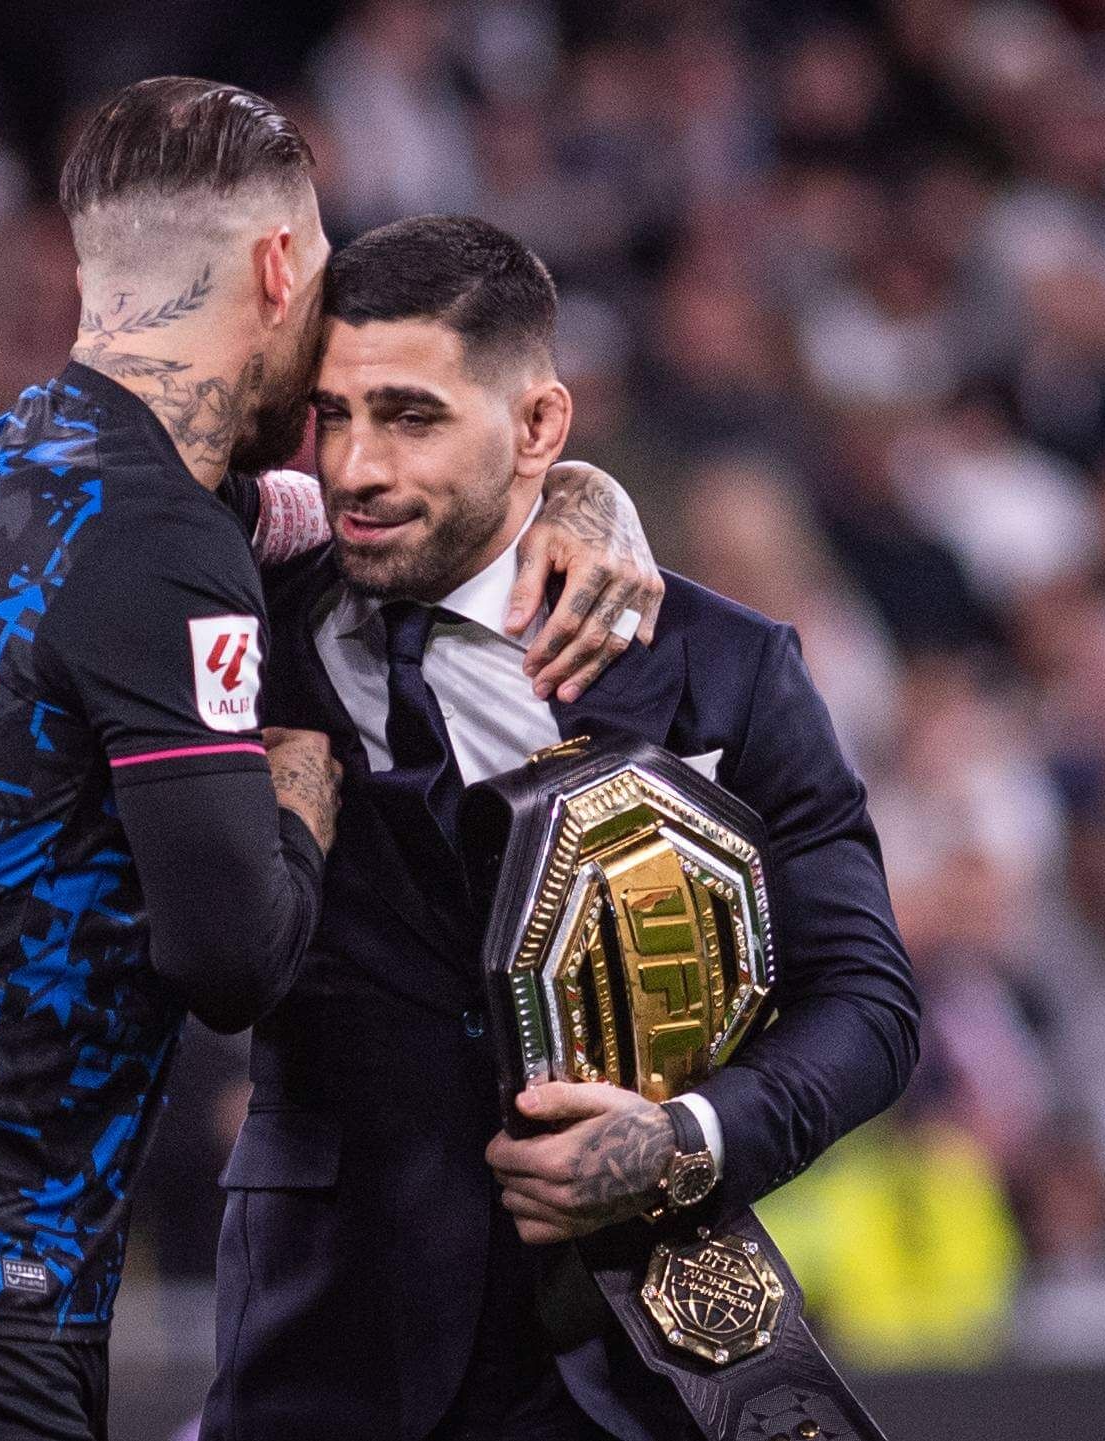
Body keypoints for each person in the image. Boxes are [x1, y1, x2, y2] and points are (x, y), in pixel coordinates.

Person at [0, 81, 659, 1441]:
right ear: (281, 266)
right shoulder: (166, 543)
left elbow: (334, 521)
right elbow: (233, 957)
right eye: (326, 262)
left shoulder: (3, 458)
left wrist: (579, 493)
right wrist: (299, 793)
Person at [208, 216, 919, 1439]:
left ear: (539, 427)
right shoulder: (242, 627)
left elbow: (866, 1000)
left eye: (412, 415)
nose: (357, 468)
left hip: (626, 1370)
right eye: (332, 416)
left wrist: (683, 1139)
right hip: (320, 1351)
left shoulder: (720, 670)